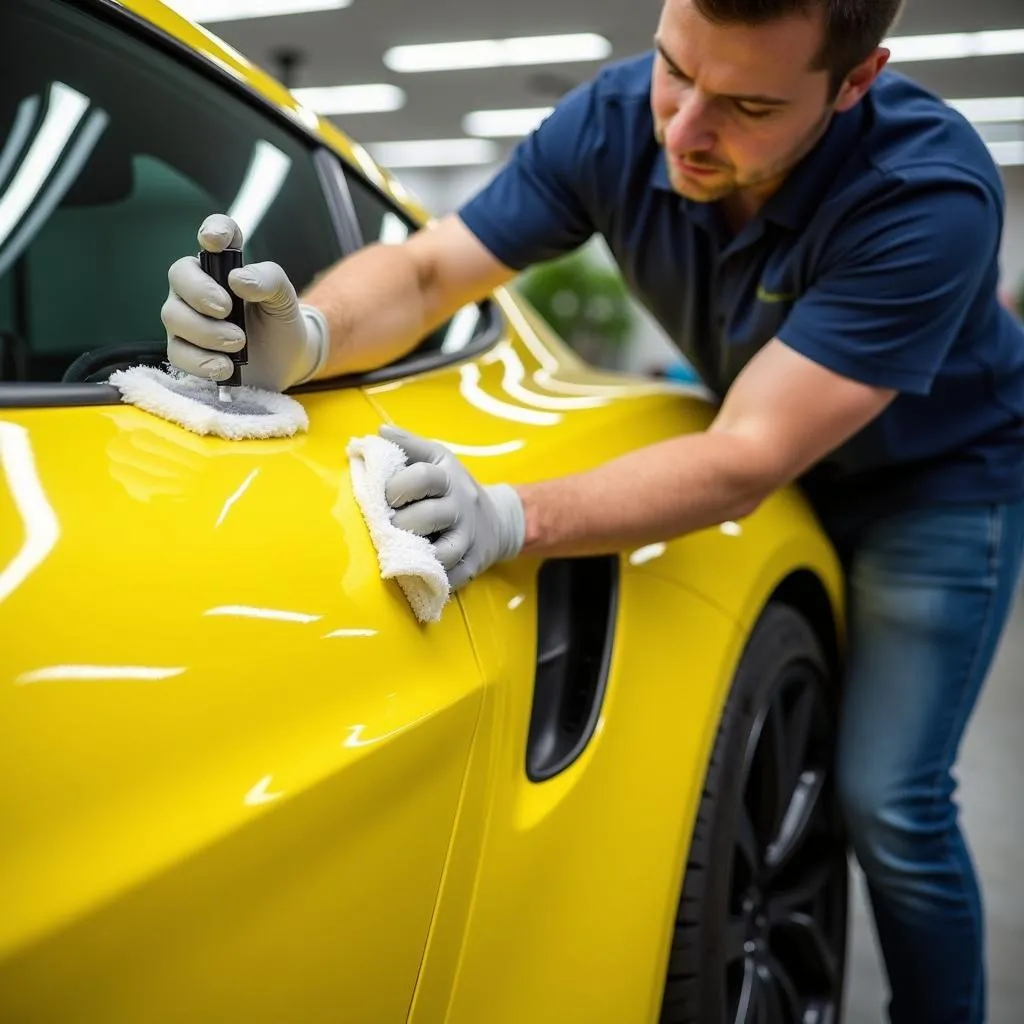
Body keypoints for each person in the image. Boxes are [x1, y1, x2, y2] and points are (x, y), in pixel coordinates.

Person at [160, 1, 1024, 1020]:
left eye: (747, 103)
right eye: (675, 71)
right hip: (769, 442)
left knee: (890, 802)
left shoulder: (930, 196)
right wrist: (310, 334)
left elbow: (746, 455)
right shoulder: (617, 116)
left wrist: (511, 516)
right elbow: (436, 268)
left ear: (854, 81)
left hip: (929, 487)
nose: (685, 130)